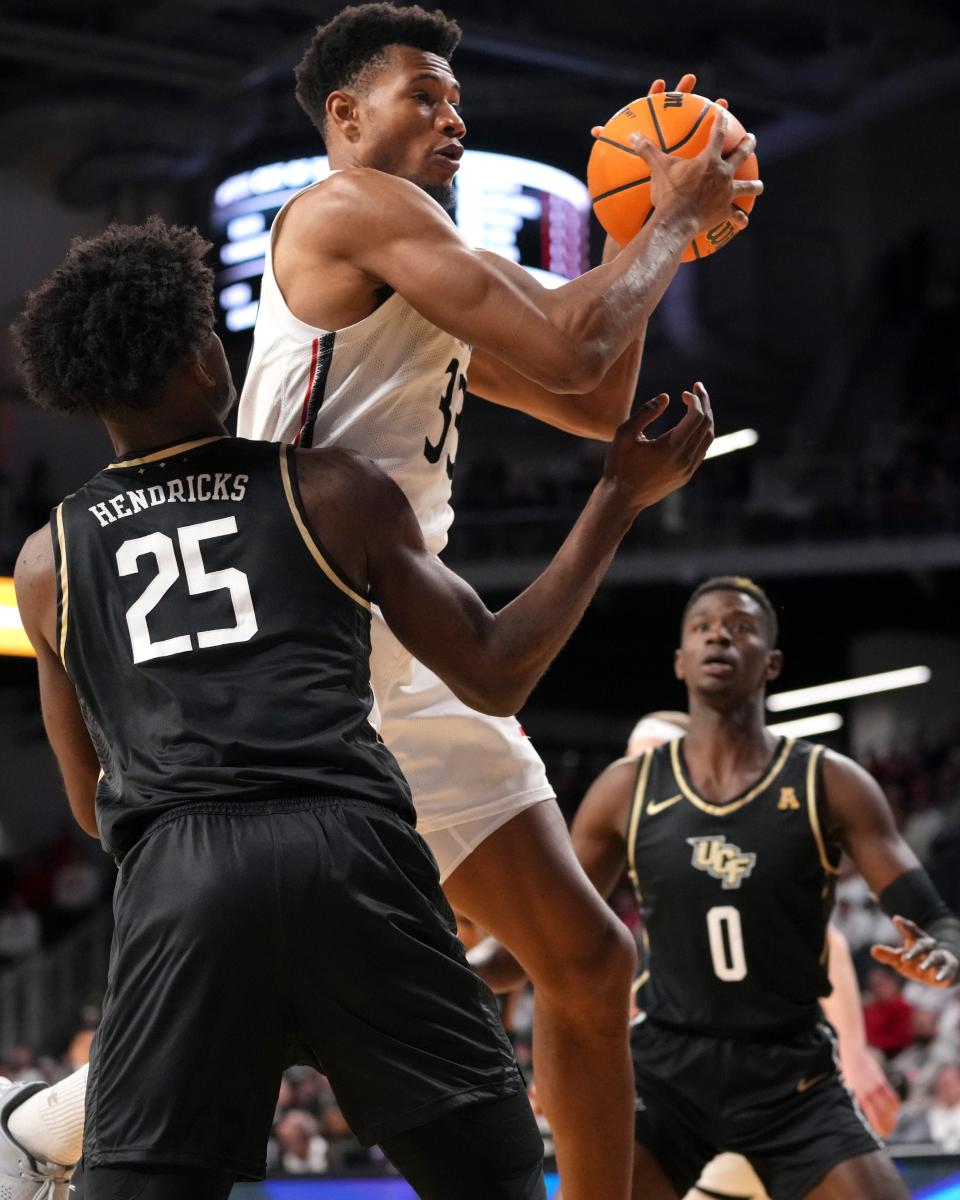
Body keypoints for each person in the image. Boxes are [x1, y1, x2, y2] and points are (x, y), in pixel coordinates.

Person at [5, 218, 713, 1200]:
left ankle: (37, 1127)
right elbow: (499, 668)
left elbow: (89, 804)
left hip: (179, 883)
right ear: (208, 357)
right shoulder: (331, 490)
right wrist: (618, 498)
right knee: (495, 1178)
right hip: (349, 856)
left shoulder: (47, 563)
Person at [235, 7, 760, 1194]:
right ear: (346, 117)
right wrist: (669, 212)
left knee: (583, 961)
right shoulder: (351, 209)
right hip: (307, 645)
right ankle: (57, 1118)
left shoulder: (436, 261)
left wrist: (633, 232)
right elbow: (582, 360)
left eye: (457, 97)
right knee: (255, 994)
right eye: (425, 92)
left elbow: (588, 394)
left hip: (404, 635)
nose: (454, 116)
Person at [473, 577, 960, 1199]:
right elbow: (546, 937)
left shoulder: (830, 782)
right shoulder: (627, 790)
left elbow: (932, 917)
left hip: (791, 1075)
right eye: (701, 626)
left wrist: (943, 951)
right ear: (679, 660)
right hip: (666, 1073)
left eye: (740, 625)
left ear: (772, 661)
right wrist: (468, 967)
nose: (719, 635)